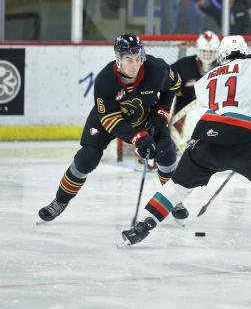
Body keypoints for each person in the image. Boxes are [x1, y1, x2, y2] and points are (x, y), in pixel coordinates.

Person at [119, 35, 251, 246]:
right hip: (245, 143)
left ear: (221, 55)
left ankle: (143, 226)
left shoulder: (206, 79)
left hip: (205, 142)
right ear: (244, 51)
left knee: (175, 187)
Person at [38, 35, 190, 224]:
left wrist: (160, 114)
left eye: (138, 59)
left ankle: (172, 199)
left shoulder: (157, 69)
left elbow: (174, 85)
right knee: (87, 158)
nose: (135, 65)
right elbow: (111, 120)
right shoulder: (105, 80)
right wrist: (138, 137)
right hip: (108, 120)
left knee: (166, 150)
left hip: (145, 116)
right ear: (118, 58)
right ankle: (60, 201)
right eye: (129, 59)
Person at [170, 31, 220, 151]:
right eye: (204, 51)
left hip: (213, 115)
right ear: (198, 50)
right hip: (183, 116)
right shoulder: (184, 65)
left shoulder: (224, 67)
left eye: (210, 52)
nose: (207, 55)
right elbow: (164, 83)